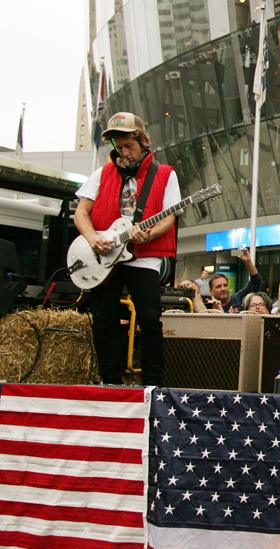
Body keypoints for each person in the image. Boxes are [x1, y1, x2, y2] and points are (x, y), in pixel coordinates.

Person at [74, 112, 181, 386]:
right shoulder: (102, 173)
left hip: (144, 256)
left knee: (149, 317)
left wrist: (148, 234)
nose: (124, 153)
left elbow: (169, 218)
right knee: (104, 318)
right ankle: (110, 380)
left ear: (143, 141)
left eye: (128, 146)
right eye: (119, 147)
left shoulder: (166, 174)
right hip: (105, 253)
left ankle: (152, 383)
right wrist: (93, 239)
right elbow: (81, 213)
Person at [208, 247, 264, 313]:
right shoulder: (209, 308)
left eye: (225, 285)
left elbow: (256, 282)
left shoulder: (237, 299)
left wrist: (248, 262)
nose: (223, 289)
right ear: (211, 291)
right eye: (218, 286)